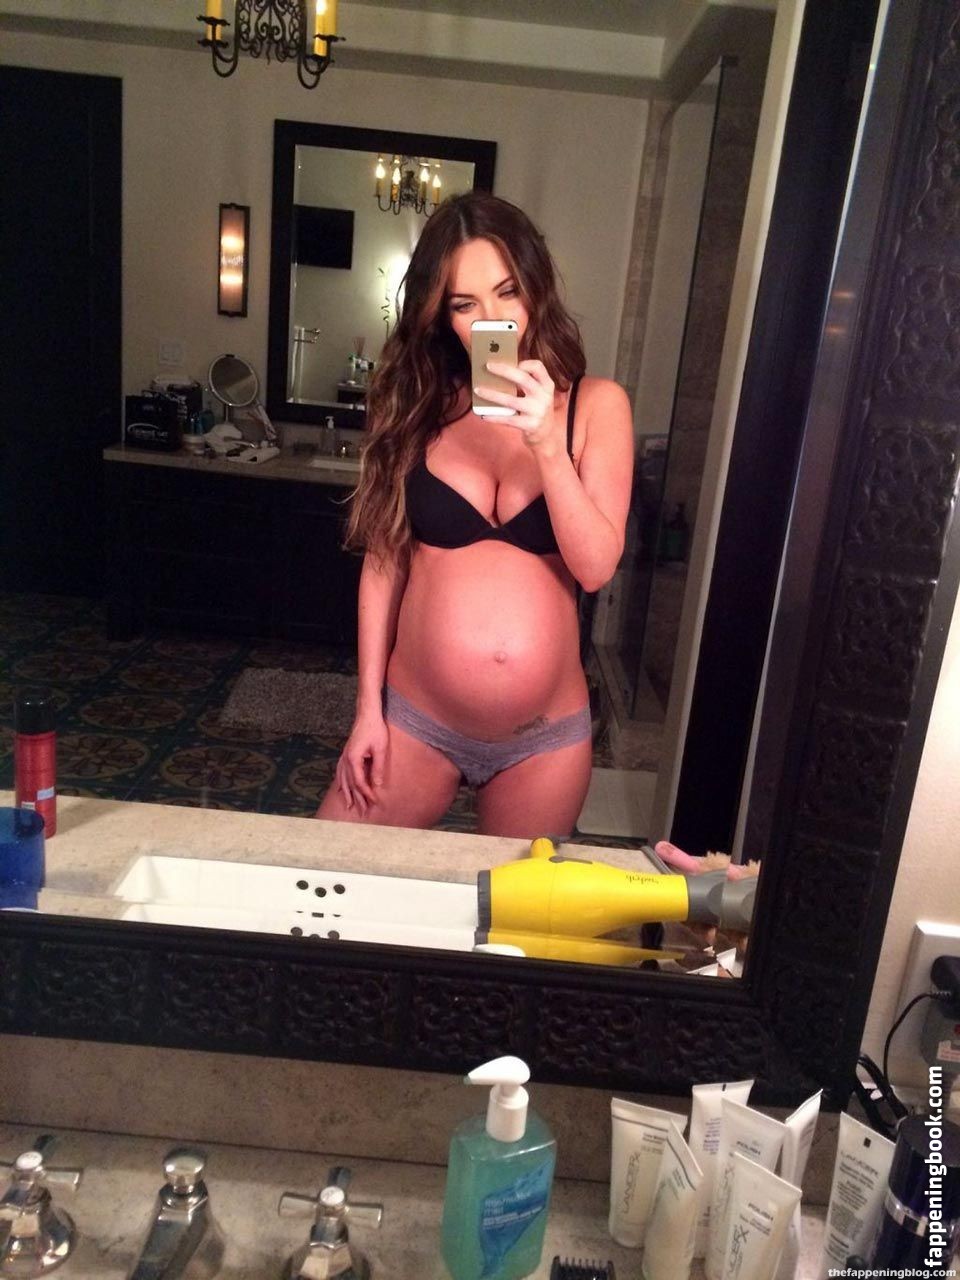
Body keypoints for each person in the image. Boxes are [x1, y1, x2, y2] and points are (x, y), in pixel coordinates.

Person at [316, 192, 633, 837]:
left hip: (543, 741)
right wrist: (367, 710)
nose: (492, 318)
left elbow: (596, 568)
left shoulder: (597, 407)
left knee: (503, 904)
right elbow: (383, 565)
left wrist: (547, 445)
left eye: (507, 291)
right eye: (465, 304)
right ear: (443, 316)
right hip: (415, 722)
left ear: (535, 286)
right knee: (325, 873)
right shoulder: (415, 407)